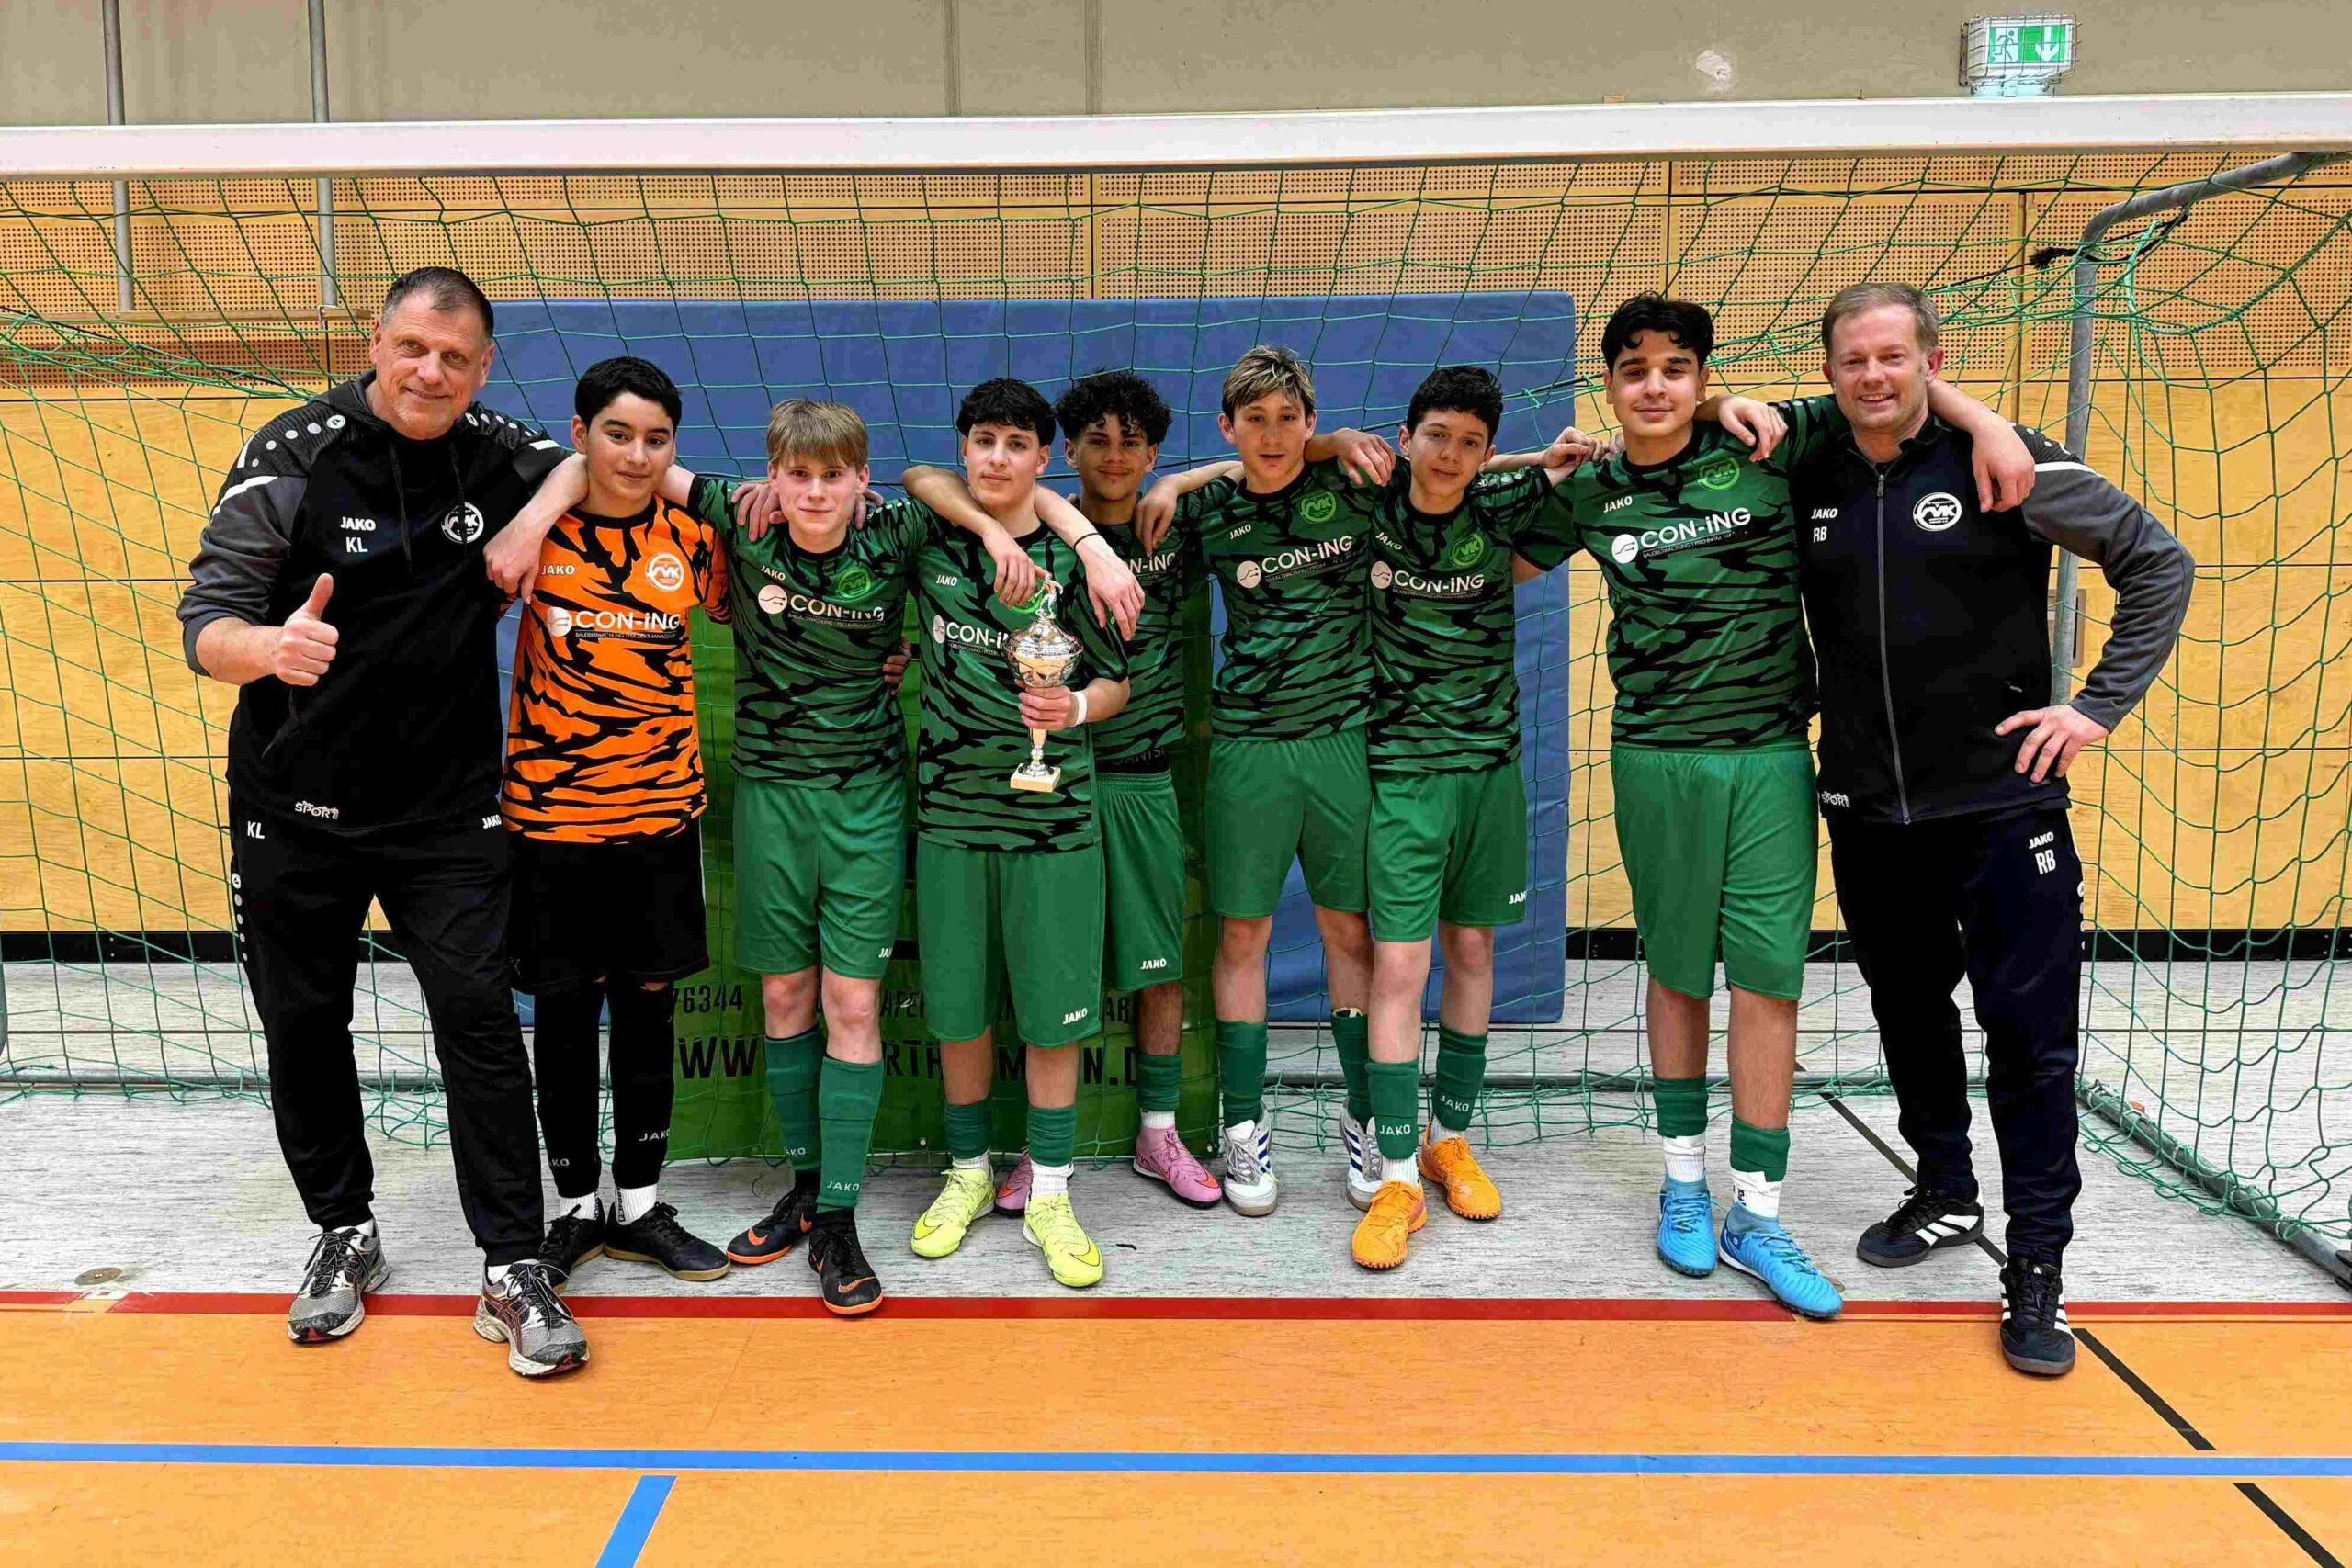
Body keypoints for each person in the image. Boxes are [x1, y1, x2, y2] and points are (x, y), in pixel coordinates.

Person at [486, 396, 1127, 1314]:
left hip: (866, 799)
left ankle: (839, 1217)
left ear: (861, 482)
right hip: (769, 799)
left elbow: (934, 480)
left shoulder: (897, 532)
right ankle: (803, 1187)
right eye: (798, 475)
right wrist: (531, 520)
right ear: (772, 478)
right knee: (785, 997)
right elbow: (610, 462)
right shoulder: (741, 520)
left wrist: (1042, 537)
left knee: (851, 1003)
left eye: (834, 476)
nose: (816, 492)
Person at [1537, 292, 2030, 1321]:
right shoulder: (1587, 491)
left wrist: (1987, 424)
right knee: (1678, 975)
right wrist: (1536, 461)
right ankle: (1682, 1184)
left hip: (1769, 758)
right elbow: (1464, 515)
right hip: (1655, 758)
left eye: (1677, 368)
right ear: (1610, 385)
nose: (1656, 386)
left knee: (1768, 983)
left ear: (1703, 378)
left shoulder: (1771, 441)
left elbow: (1889, 392)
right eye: (1634, 370)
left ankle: (1755, 1213)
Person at [176, 265, 588, 1378]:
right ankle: (343, 1229)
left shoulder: (499, 450)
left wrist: (527, 527)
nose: (429, 372)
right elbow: (206, 620)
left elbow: (585, 462)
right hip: (293, 806)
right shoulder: (292, 453)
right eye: (412, 347)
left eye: (454, 357)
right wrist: (270, 649)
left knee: (480, 1024)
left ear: (483, 368)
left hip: (447, 810)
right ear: (376, 342)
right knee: (304, 1024)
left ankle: (512, 1263)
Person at [1798, 281, 2192, 1376]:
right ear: (1828, 373)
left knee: (2028, 1041)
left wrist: (2094, 708)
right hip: (1869, 810)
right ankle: (1943, 1188)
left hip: (2002, 808)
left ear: (1930, 361)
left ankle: (2036, 1265)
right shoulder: (1811, 468)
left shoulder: (2006, 462)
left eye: (1892, 355)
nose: (1872, 375)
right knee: (1907, 1011)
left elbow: (2156, 561)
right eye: (1852, 360)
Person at [1131, 346, 1393, 1217]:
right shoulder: (1206, 511)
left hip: (1343, 741)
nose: (1273, 436)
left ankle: (1367, 1118)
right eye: (1254, 421)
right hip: (1246, 745)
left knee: (1349, 930)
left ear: (1312, 422)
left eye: (1289, 420)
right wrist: (1176, 480)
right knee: (1242, 934)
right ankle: (1242, 1126)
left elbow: (1453, 468)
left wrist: (1338, 442)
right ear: (1227, 427)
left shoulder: (1354, 483)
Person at [497, 356, 732, 1288]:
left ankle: (638, 1206)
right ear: (581, 433)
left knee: (648, 1009)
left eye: (656, 439)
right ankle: (573, 1207)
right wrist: (538, 510)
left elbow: (763, 611)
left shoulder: (694, 537)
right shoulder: (535, 530)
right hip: (552, 819)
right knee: (561, 1013)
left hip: (660, 817)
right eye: (617, 434)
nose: (636, 455)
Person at [1349, 367, 1592, 1267]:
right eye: (1436, 436)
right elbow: (1275, 462)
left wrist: (1555, 462)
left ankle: (1446, 1141)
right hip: (1400, 774)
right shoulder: (1366, 508)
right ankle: (1393, 1179)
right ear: (1404, 436)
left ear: (1488, 453)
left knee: (1475, 951)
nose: (1450, 455)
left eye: (1470, 443)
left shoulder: (1501, 511)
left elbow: (1572, 480)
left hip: (1490, 770)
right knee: (1398, 965)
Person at [899, 378, 1133, 1290]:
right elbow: (914, 477)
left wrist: (1072, 707)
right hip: (950, 818)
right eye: (983, 441)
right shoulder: (931, 534)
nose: (997, 458)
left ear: (1045, 458)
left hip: (1055, 823)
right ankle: (967, 1172)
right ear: (966, 448)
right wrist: (994, 533)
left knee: (1051, 1018)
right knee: (959, 1013)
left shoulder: (1084, 565)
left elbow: (1116, 682)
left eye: (1016, 444)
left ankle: (1052, 1193)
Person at [993, 370, 1225, 1217]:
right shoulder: (1041, 533)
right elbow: (934, 487)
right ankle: (1039, 1146)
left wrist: (1182, 483)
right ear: (1070, 450)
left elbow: (1268, 460)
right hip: (1058, 779)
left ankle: (1158, 1131)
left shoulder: (1177, 522)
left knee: (1159, 966)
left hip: (1145, 778)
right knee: (1051, 970)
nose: (1116, 456)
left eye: (1134, 443)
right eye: (1098, 439)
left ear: (1153, 452)